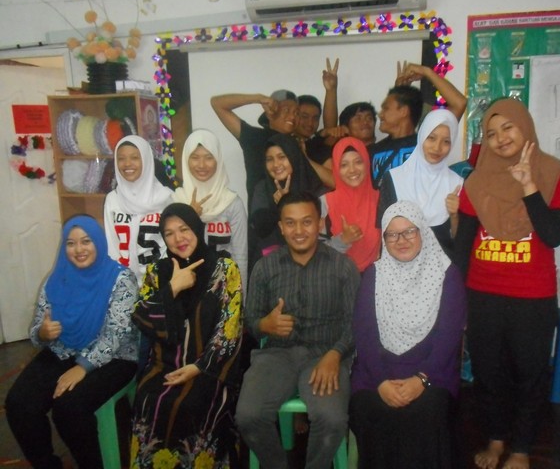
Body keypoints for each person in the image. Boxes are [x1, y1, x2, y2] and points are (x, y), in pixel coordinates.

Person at [454, 98, 560, 469]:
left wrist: (528, 186)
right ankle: (496, 440)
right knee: (487, 373)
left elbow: (553, 235)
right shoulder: (476, 182)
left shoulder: (557, 174)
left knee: (530, 374)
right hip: (483, 294)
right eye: (491, 133)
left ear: (524, 126)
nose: (500, 138)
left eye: (507, 127)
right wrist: (458, 302)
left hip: (532, 296)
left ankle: (522, 448)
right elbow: (463, 249)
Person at [236, 191, 360, 469]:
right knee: (248, 416)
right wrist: (265, 324)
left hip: (325, 355)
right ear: (281, 227)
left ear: (320, 223)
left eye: (307, 222)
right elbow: (250, 320)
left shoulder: (343, 267)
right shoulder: (265, 268)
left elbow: (356, 323)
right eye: (290, 223)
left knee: (331, 420)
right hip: (277, 355)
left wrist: (335, 354)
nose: (299, 231)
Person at [5, 215, 139, 469]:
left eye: (86, 241)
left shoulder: (121, 279)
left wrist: (83, 367)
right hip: (63, 349)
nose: (79, 249)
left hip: (114, 357)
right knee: (19, 404)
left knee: (69, 409)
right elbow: (38, 328)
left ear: (98, 242)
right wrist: (42, 333)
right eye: (71, 243)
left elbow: (116, 334)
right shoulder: (57, 278)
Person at [349, 200, 466, 468]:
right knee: (370, 409)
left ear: (422, 231)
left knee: (426, 412)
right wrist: (381, 382)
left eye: (409, 231)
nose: (401, 240)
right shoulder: (374, 275)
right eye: (392, 234)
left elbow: (448, 339)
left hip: (432, 372)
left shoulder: (447, 275)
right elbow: (364, 334)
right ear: (384, 239)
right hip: (377, 372)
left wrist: (421, 379)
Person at [130, 202, 243, 468]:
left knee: (192, 404)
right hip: (164, 366)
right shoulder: (157, 272)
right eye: (169, 233)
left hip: (209, 368)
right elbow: (140, 315)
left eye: (184, 229)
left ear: (196, 228)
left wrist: (199, 367)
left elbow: (230, 328)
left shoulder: (224, 269)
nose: (178, 238)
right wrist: (172, 288)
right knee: (149, 400)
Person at [378, 109, 463, 256]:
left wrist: (455, 215)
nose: (437, 147)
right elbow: (385, 232)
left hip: (442, 264)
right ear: (422, 136)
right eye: (431, 138)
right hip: (401, 264)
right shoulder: (394, 179)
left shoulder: (457, 184)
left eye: (446, 141)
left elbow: (460, 242)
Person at [173, 128, 248, 294]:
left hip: (225, 291)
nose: (201, 165)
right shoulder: (176, 201)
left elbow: (240, 256)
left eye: (209, 157)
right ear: (186, 160)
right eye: (195, 157)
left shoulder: (232, 202)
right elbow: (173, 252)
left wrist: (240, 298)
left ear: (218, 160)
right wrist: (190, 217)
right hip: (188, 290)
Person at [370, 61, 467, 189]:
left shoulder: (427, 144)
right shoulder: (373, 150)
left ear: (404, 111)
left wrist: (427, 72)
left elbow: (460, 103)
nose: (380, 114)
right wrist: (401, 92)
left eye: (386, 108)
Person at [104, 134, 174, 286]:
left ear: (146, 160)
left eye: (135, 158)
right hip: (124, 282)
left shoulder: (167, 198)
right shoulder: (113, 199)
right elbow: (112, 246)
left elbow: (173, 243)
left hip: (160, 281)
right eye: (121, 158)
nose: (127, 164)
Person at [248, 133, 324, 270]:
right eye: (269, 159)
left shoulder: (314, 186)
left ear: (293, 156)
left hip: (313, 264)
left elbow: (321, 232)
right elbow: (260, 229)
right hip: (271, 265)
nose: (276, 164)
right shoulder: (263, 188)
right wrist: (279, 206)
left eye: (282, 157)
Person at [321, 136, 381, 272]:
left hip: (376, 275)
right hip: (335, 275)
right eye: (344, 165)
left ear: (367, 163)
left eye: (358, 162)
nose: (352, 170)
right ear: (336, 168)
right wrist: (343, 239)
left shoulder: (381, 199)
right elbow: (314, 251)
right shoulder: (324, 203)